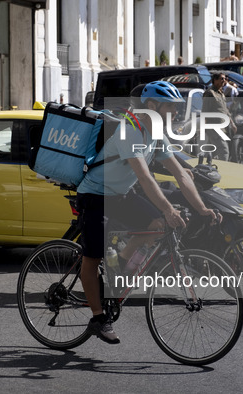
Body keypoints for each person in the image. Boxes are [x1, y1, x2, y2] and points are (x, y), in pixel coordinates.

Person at [76, 81, 221, 344]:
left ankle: (120, 262)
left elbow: (180, 173)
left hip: (121, 194)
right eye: (171, 108)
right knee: (92, 257)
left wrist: (203, 208)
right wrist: (168, 209)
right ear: (152, 106)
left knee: (156, 224)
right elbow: (144, 177)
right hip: (96, 195)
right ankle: (98, 317)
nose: (175, 113)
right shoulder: (127, 131)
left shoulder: (154, 133)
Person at [202, 72, 237, 160]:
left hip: (222, 127)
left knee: (208, 152)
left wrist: (232, 123)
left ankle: (203, 169)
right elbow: (205, 111)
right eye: (222, 79)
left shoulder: (221, 93)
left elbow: (225, 110)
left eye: (225, 79)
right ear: (215, 80)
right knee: (224, 151)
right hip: (214, 128)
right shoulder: (210, 93)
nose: (224, 81)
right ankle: (223, 172)